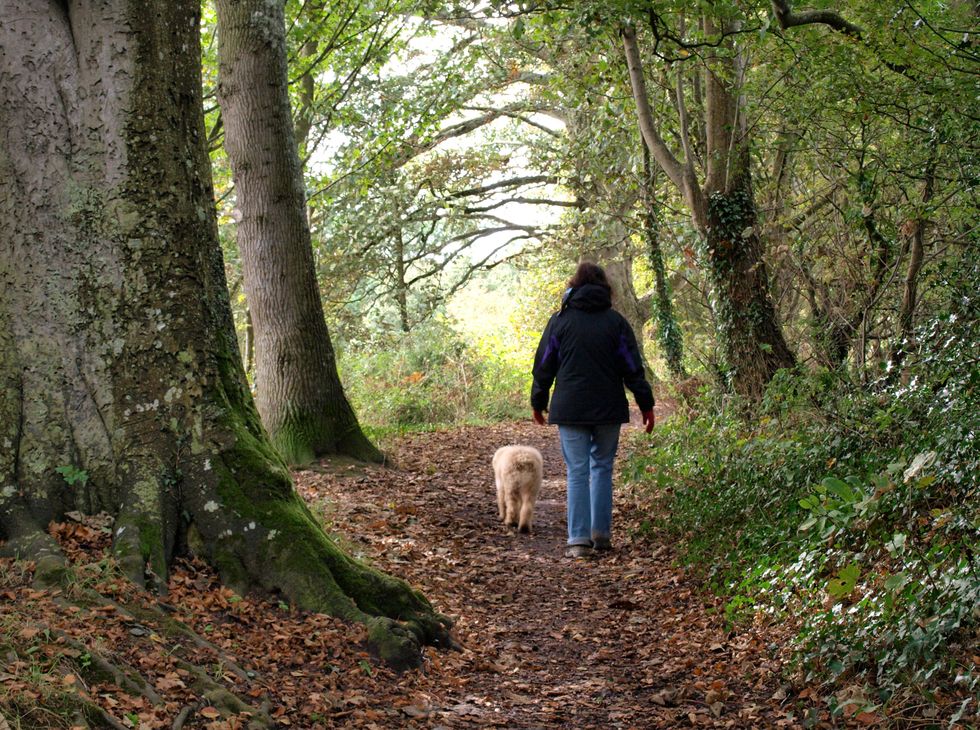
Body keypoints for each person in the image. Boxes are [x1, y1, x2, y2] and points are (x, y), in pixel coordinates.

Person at [530, 262, 655, 559]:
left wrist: (538, 401)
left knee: (577, 470)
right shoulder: (616, 323)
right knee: (602, 467)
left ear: (574, 285)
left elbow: (544, 364)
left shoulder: (559, 321)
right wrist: (646, 404)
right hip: (608, 407)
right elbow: (632, 367)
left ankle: (578, 540)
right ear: (604, 289)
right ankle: (601, 534)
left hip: (570, 406)